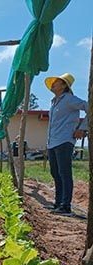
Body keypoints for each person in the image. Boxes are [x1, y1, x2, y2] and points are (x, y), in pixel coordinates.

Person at [44, 73, 88, 215]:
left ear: (64, 85)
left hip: (64, 140)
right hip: (52, 141)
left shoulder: (69, 99)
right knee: (55, 172)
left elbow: (89, 107)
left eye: (56, 82)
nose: (53, 84)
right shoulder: (54, 101)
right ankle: (58, 203)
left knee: (64, 173)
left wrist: (82, 128)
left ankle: (65, 205)